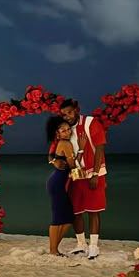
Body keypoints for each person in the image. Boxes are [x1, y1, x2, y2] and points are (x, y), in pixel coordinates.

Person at [59, 98, 107, 260]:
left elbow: (100, 148)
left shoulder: (90, 122)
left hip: (93, 172)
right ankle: (81, 244)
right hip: (76, 173)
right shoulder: (65, 129)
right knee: (76, 211)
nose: (67, 116)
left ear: (77, 110)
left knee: (94, 210)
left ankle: (94, 246)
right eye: (64, 114)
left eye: (70, 112)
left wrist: (95, 173)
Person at [45, 115, 77, 255]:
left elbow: (52, 156)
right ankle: (53, 250)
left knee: (69, 218)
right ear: (57, 133)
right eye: (64, 130)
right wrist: (80, 151)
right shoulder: (66, 144)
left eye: (69, 129)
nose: (68, 132)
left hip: (56, 181)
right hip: (57, 182)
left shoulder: (61, 143)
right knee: (57, 218)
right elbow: (72, 165)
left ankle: (54, 248)